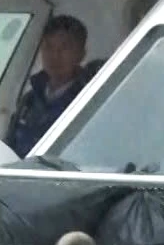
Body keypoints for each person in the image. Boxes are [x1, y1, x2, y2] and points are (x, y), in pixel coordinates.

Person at [7, 15, 102, 158]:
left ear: (81, 54)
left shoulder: (89, 100)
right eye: (48, 47)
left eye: (65, 48)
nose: (54, 56)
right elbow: (9, 144)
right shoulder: (29, 101)